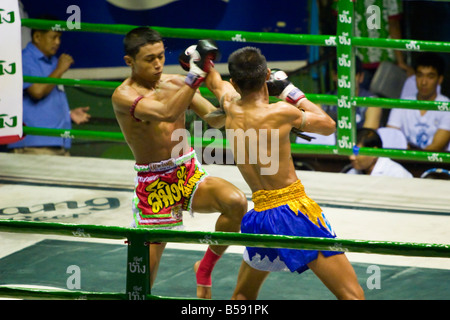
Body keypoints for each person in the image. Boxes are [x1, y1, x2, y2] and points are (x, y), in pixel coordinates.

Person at [203, 46, 364, 300]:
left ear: (234, 82)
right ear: (267, 74)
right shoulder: (281, 112)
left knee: (243, 296)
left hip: (259, 217)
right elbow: (328, 125)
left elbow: (214, 81)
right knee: (352, 296)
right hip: (293, 214)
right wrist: (291, 92)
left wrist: (202, 62)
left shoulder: (229, 105)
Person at [111, 27, 247, 299]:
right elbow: (166, 112)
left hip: (187, 171)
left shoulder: (176, 84)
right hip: (155, 185)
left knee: (237, 203)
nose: (158, 63)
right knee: (143, 275)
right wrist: (195, 75)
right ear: (130, 62)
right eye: (150, 59)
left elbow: (214, 118)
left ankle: (204, 269)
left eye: (161, 56)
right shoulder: (122, 96)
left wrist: (225, 91)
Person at [8, 18, 90, 156]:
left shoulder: (52, 61)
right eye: (53, 37)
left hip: (57, 143)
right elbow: (37, 92)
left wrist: (68, 114)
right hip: (34, 144)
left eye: (59, 37)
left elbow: (47, 101)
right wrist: (60, 69)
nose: (57, 42)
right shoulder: (24, 58)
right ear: (37, 37)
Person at [387, 53, 450, 152]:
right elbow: (391, 137)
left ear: (440, 79)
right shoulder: (402, 103)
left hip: (435, 165)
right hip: (404, 162)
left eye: (430, 76)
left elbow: (437, 146)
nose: (424, 82)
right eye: (420, 75)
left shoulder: (447, 106)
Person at [346, 128, 413, 178]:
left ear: (374, 153)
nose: (351, 157)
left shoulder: (397, 174)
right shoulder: (351, 173)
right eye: (350, 151)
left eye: (356, 152)